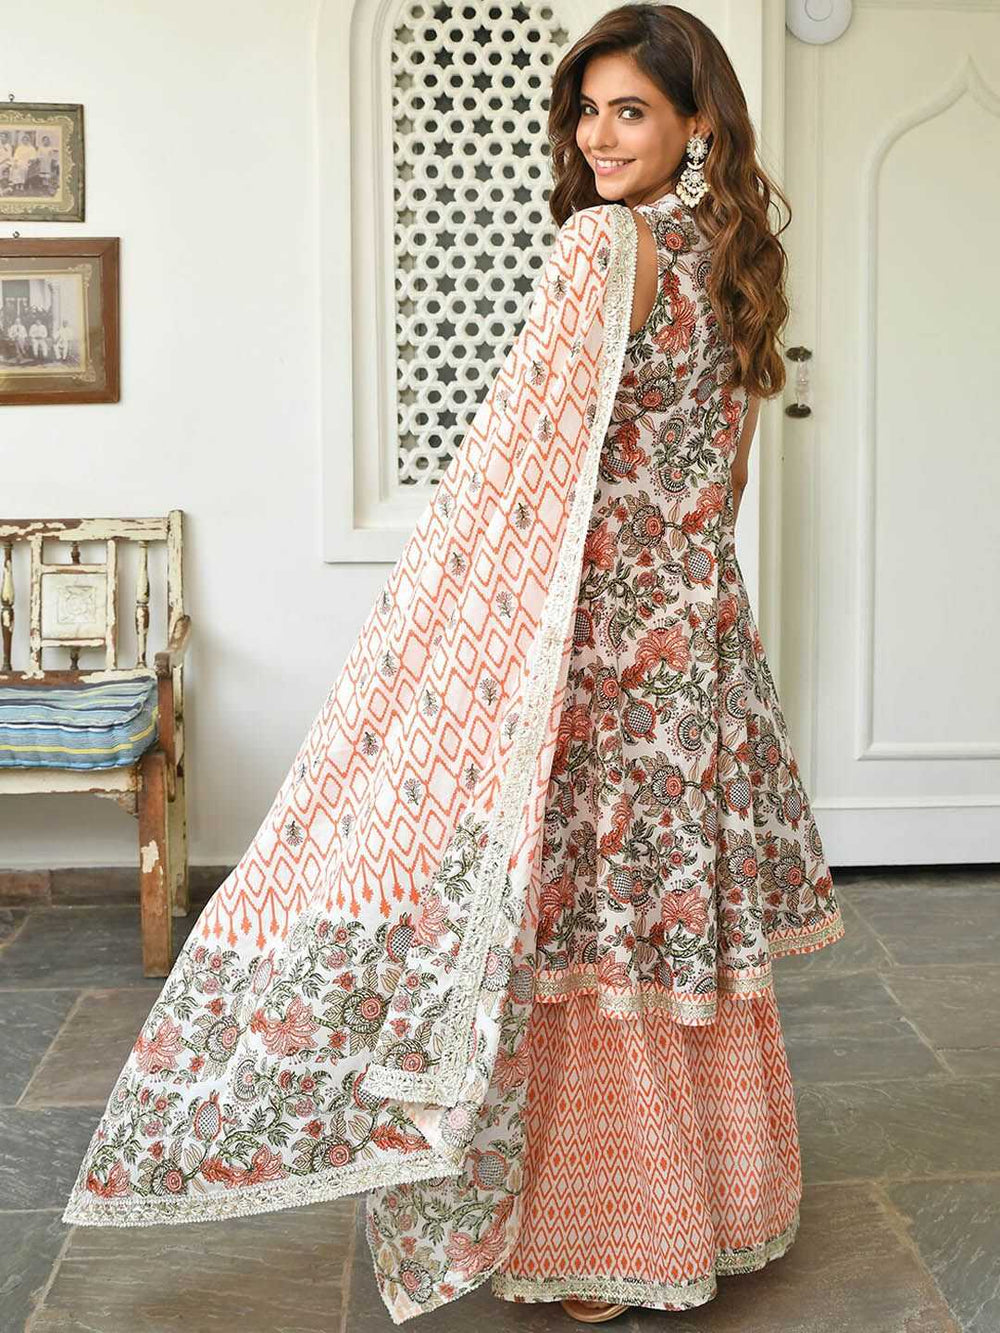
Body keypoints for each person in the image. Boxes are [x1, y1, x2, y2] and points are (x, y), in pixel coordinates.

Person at [61, 3, 843, 1325]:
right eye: (587, 109)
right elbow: (723, 481)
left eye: (631, 110)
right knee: (656, 914)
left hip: (596, 656)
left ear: (698, 121)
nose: (598, 137)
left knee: (582, 917)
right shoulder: (736, 257)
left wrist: (439, 641)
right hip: (697, 648)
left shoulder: (605, 249)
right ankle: (702, 1209)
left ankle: (602, 1237)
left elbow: (513, 460)